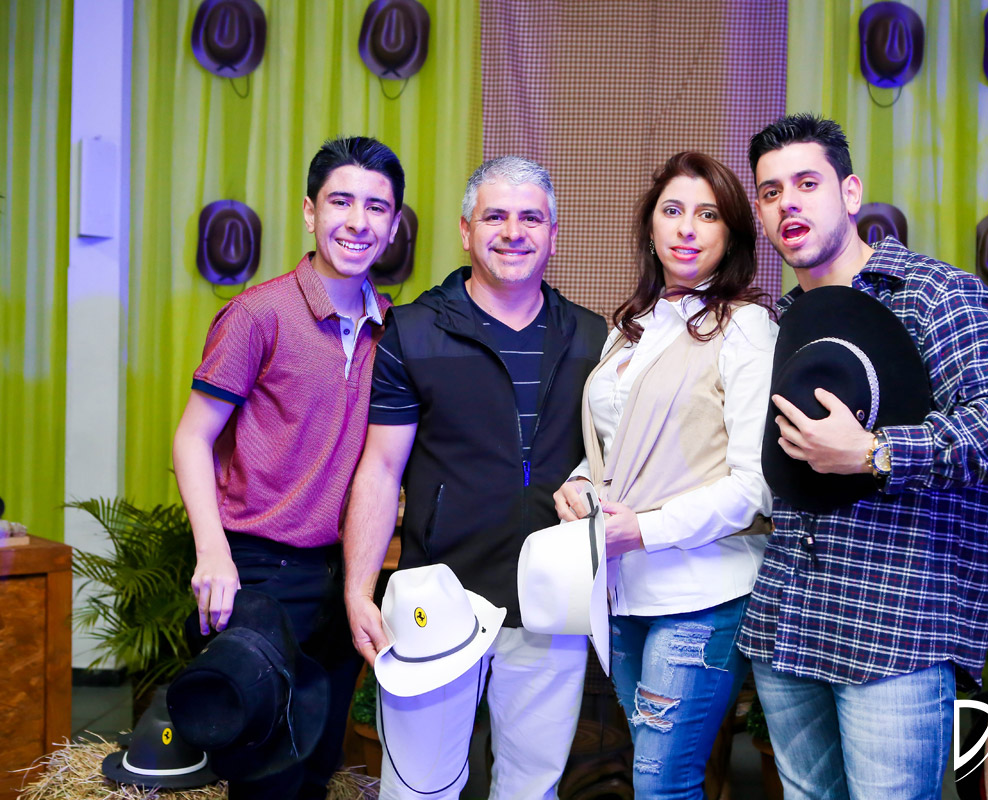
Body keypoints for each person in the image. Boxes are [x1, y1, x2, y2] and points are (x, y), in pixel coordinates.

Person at [736, 113, 988, 799]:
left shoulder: (939, 296)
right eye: (770, 191)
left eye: (807, 183)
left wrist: (876, 452)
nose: (787, 203)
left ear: (850, 193)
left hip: (895, 631)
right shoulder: (781, 321)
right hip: (789, 622)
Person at [342, 156, 607, 800]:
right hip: (438, 594)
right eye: (495, 217)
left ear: (553, 233)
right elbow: (380, 468)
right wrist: (358, 588)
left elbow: (609, 459)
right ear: (465, 230)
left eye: (531, 218)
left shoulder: (591, 335)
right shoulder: (414, 330)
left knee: (531, 789)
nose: (513, 232)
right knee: (419, 789)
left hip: (551, 601)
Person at [173, 136, 406, 799]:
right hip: (259, 573)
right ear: (309, 212)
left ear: (393, 226)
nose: (357, 222)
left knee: (317, 769)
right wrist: (212, 552)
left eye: (376, 207)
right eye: (340, 202)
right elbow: (192, 438)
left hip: (343, 576)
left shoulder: (393, 327)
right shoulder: (258, 314)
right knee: (265, 777)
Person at [554, 151, 777, 799]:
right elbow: (614, 449)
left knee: (662, 785)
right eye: (673, 210)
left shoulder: (745, 328)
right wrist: (580, 483)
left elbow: (755, 486)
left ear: (731, 235)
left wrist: (642, 530)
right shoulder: (630, 330)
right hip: (625, 593)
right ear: (650, 227)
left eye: (708, 215)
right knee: (652, 778)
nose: (686, 228)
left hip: (702, 592)